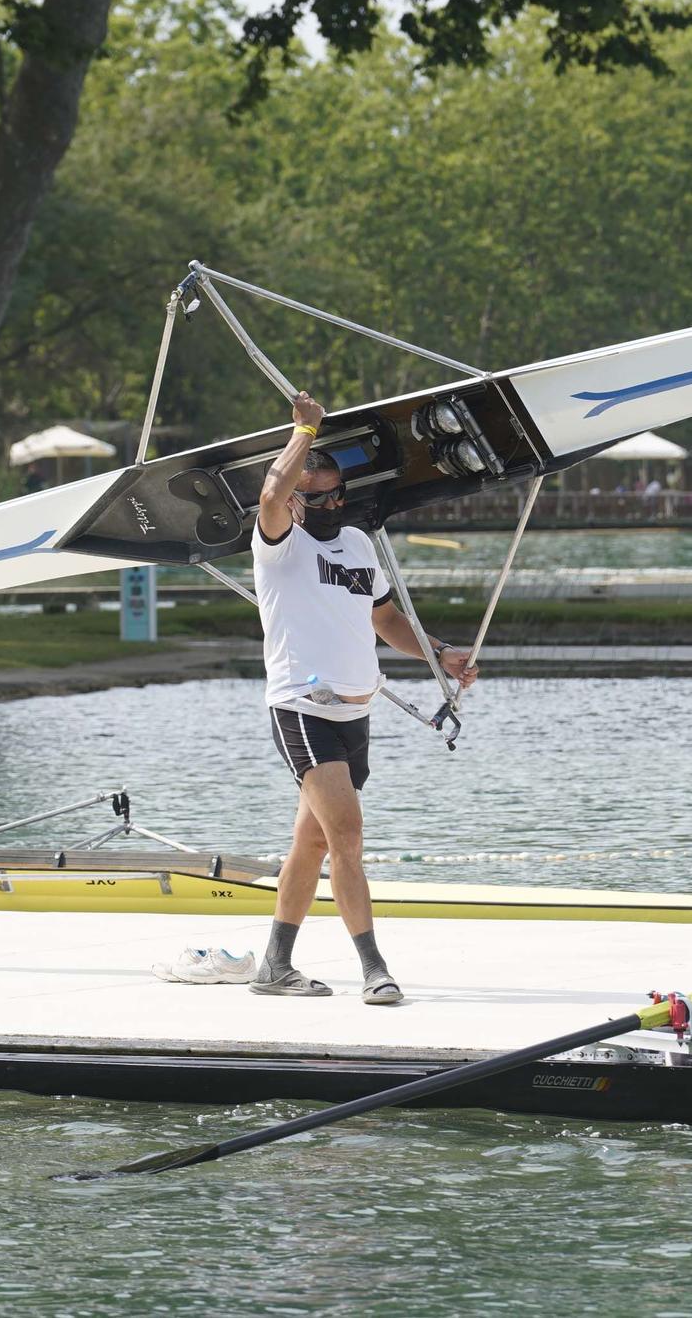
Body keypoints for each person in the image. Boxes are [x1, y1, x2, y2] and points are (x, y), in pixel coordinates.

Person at [250, 391, 477, 1004]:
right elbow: (270, 494)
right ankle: (374, 968)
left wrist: (439, 653)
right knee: (347, 834)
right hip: (302, 708)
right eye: (301, 489)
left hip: (357, 714)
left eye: (319, 489)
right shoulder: (278, 544)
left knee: (314, 841)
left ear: (339, 497)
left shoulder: (356, 544)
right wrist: (303, 430)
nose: (304, 498)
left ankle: (274, 966)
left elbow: (385, 618)